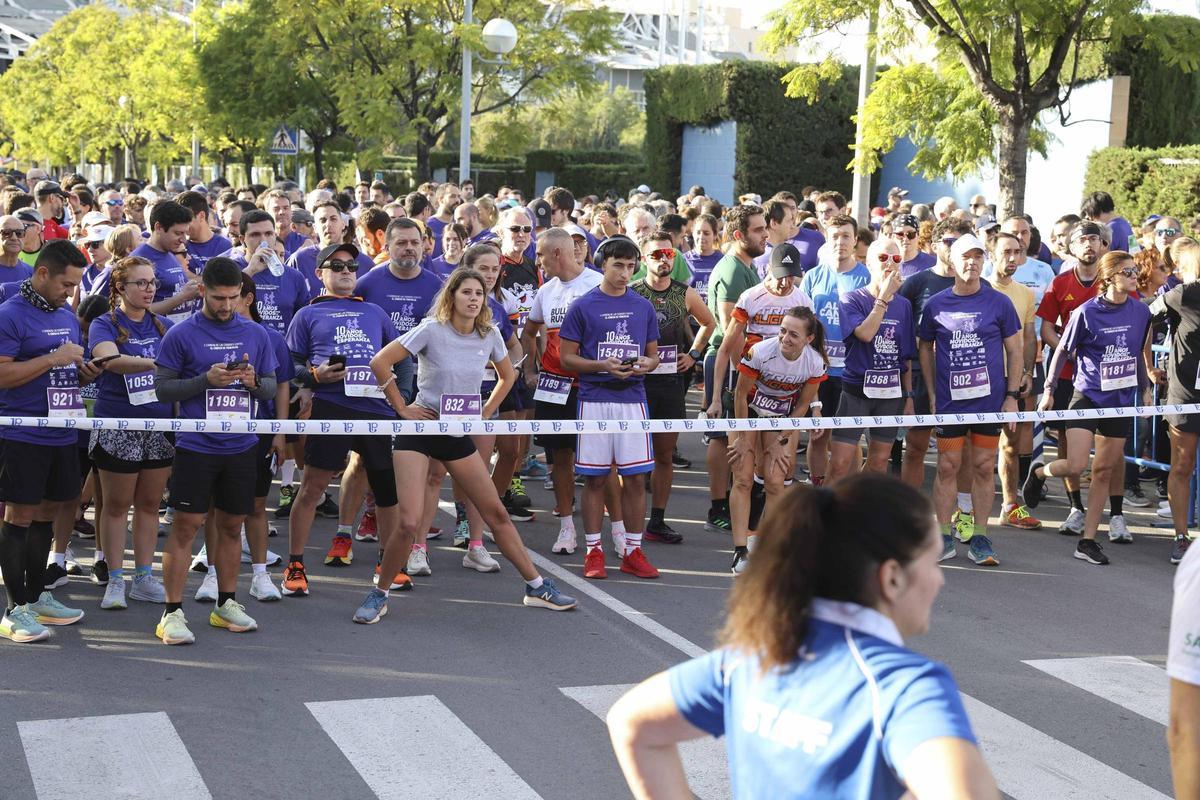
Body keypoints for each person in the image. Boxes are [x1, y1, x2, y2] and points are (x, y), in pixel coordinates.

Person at [607, 475, 999, 800]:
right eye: (931, 562)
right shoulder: (903, 686)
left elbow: (631, 723)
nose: (940, 579)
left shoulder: (754, 657)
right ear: (892, 577)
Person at [353, 268, 577, 623]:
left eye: (479, 294)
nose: (474, 299)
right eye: (467, 292)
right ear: (452, 297)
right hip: (422, 429)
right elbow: (380, 362)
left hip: (458, 431)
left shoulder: (489, 335)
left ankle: (536, 586)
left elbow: (509, 376)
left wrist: (486, 411)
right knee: (408, 522)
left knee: (496, 513)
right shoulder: (431, 329)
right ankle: (378, 593)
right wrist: (401, 407)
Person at [153, 256, 278, 645]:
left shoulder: (256, 334)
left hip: (241, 445)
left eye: (233, 298)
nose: (226, 306)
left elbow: (271, 388)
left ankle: (226, 604)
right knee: (187, 526)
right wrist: (203, 381)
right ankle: (171, 613)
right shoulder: (180, 334)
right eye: (219, 298)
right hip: (196, 445)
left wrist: (255, 382)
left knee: (230, 527)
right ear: (202, 290)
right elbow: (162, 390)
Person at [281, 243, 404, 598]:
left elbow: (403, 359)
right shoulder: (307, 314)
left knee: (386, 491)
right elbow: (290, 365)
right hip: (331, 406)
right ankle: (295, 565)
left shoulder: (376, 312)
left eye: (352, 265)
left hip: (376, 408)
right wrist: (315, 376)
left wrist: (403, 399)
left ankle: (388, 564)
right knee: (313, 487)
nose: (346, 271)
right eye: (336, 266)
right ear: (320, 274)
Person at [1023, 251, 1151, 564]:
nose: (1135, 276)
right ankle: (1040, 472)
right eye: (1128, 271)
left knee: (1104, 470)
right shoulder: (1086, 312)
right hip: (1088, 394)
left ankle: (1088, 541)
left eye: (1135, 271)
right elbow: (1063, 352)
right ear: (1110, 278)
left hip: (1119, 399)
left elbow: (1138, 354)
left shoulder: (1140, 311)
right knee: (1077, 464)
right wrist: (1049, 390)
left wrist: (1145, 390)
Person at [0, 240, 95, 642]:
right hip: (20, 433)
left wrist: (83, 373)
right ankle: (14, 608)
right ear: (41, 274)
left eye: (75, 285)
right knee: (19, 515)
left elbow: (64, 369)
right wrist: (53, 359)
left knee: (49, 513)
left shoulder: (67, 314)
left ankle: (36, 597)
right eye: (66, 284)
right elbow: (2, 375)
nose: (70, 292)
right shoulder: (9, 315)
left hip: (62, 428)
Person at [559, 235, 661, 581]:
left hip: (633, 400)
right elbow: (566, 357)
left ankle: (633, 550)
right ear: (602, 264)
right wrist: (602, 365)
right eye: (618, 265)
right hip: (594, 400)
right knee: (595, 479)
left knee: (634, 479)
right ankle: (593, 551)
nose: (624, 272)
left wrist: (646, 364)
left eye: (631, 266)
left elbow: (653, 354)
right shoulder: (583, 306)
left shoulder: (643, 306)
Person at [918, 234, 1022, 567]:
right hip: (950, 403)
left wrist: (1012, 396)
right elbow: (924, 348)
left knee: (981, 466)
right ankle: (944, 535)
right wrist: (933, 393)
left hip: (988, 403)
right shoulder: (936, 304)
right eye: (965, 256)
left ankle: (980, 536)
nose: (972, 263)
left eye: (978, 256)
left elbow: (1015, 350)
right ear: (952, 260)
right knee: (948, 466)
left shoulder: (999, 303)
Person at [88, 256, 174, 609]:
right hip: (118, 424)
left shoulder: (164, 325)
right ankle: (114, 579)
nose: (150, 288)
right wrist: (158, 364)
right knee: (115, 505)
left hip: (158, 425)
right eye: (141, 282)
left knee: (151, 504)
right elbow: (109, 360)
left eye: (152, 282)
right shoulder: (104, 322)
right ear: (120, 287)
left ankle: (143, 577)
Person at [726, 307, 828, 574]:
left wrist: (781, 439)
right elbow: (740, 394)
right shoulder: (759, 351)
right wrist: (741, 437)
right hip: (746, 412)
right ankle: (739, 551)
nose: (785, 338)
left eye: (794, 334)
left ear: (808, 338)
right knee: (743, 478)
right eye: (783, 330)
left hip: (780, 417)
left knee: (774, 481)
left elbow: (803, 404)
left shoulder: (814, 362)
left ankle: (764, 548)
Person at [521, 228, 603, 553]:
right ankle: (567, 527)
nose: (536, 262)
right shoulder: (546, 291)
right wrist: (531, 370)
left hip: (592, 386)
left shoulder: (596, 284)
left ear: (557, 253)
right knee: (560, 459)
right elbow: (529, 332)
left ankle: (617, 530)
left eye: (540, 255)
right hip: (555, 387)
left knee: (601, 460)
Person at [632, 231, 716, 544]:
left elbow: (709, 322)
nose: (664, 259)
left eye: (669, 254)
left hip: (669, 382)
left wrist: (693, 354)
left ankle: (656, 521)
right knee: (630, 459)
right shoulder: (633, 292)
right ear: (644, 260)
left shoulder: (685, 293)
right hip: (635, 384)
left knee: (664, 456)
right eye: (656, 255)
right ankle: (626, 523)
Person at [1035, 220, 1109, 535]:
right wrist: (1070, 350)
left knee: (1108, 443)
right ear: (1072, 247)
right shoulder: (1060, 282)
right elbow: (1047, 328)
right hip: (1068, 373)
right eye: (1083, 240)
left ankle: (1114, 512)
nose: (1089, 245)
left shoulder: (1112, 282)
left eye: (1095, 239)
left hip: (1108, 376)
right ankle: (1075, 506)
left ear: (1104, 245)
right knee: (1068, 441)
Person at [829, 237, 915, 482]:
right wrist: (884, 297)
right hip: (856, 390)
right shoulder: (852, 299)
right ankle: (822, 515)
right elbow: (865, 334)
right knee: (840, 463)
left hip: (890, 393)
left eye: (896, 258)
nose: (890, 263)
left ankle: (854, 506)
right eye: (883, 258)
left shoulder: (905, 306)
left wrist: (908, 399)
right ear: (868, 263)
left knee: (878, 464)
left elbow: (905, 356)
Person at [703, 205, 768, 533]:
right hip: (727, 361)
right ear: (739, 235)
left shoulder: (749, 266)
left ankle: (736, 499)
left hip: (746, 362)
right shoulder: (731, 270)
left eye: (764, 228)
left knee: (740, 436)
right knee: (720, 437)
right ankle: (717, 506)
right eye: (757, 230)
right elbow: (731, 330)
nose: (765, 234)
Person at [800, 213, 872, 485]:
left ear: (855, 240)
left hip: (851, 372)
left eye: (846, 236)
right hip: (818, 371)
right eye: (835, 236)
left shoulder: (866, 277)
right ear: (826, 240)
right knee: (818, 434)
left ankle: (847, 493)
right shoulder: (813, 277)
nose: (840, 242)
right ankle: (818, 485)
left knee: (848, 440)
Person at [234, 273, 290, 601]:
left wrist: (281, 433)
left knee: (256, 505)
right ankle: (212, 572)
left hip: (261, 431)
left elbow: (282, 386)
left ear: (249, 299)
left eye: (233, 296)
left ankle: (260, 575)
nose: (224, 303)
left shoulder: (271, 337)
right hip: (218, 433)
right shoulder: (206, 334)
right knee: (217, 509)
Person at [986, 231, 1043, 531]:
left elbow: (1029, 336)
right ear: (991, 253)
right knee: (973, 448)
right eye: (1006, 251)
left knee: (1010, 445)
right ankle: (963, 507)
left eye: (1018, 252)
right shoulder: (979, 288)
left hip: (1013, 378)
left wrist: (1026, 373)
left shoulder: (1025, 293)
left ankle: (1010, 505)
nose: (1013, 258)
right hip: (980, 379)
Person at [1150, 237, 1200, 564]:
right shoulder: (1182, 294)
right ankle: (1181, 538)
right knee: (1182, 465)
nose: (1176, 272)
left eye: (1180, 266)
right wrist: (1147, 366)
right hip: (1184, 394)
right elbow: (1144, 317)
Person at [132, 200, 200, 325]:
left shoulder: (170, 253)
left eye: (185, 233)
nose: (184, 240)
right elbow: (135, 311)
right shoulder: (138, 260)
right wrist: (182, 297)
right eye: (178, 233)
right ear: (158, 227)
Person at [683, 213, 722, 303]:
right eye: (698, 232)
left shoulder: (722, 261)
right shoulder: (683, 260)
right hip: (690, 314)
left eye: (706, 233)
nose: (701, 237)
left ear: (715, 235)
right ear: (692, 233)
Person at [888, 213, 936, 279]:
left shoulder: (933, 263)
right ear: (893, 237)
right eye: (900, 234)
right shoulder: (888, 265)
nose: (905, 239)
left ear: (918, 235)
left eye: (910, 234)